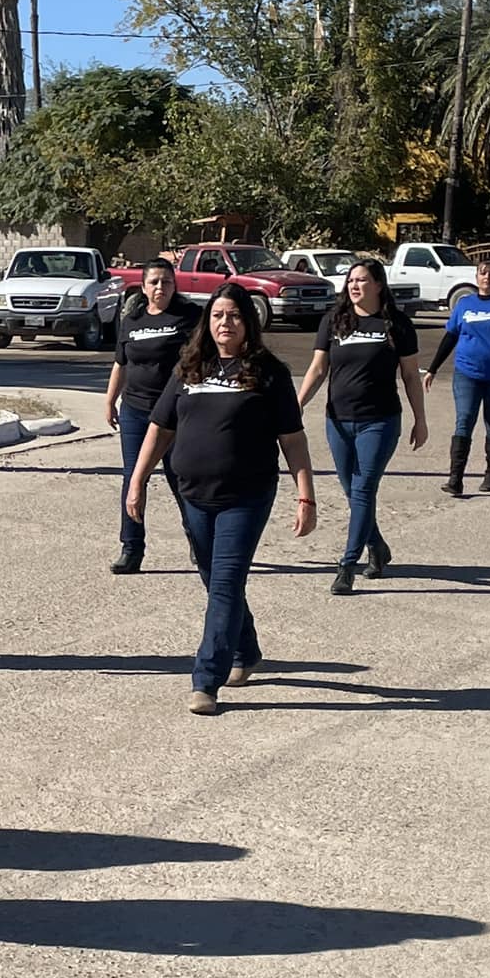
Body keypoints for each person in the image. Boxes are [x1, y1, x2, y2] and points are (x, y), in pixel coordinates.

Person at [127, 282, 318, 717]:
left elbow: (293, 439)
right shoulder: (190, 367)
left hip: (246, 496)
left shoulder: (269, 371)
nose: (224, 323)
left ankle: (205, 679)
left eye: (233, 315)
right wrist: (137, 480)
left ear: (248, 322)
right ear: (207, 322)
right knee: (216, 582)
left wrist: (305, 495)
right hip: (193, 494)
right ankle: (246, 651)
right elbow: (160, 429)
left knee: (226, 582)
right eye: (217, 315)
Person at [295, 258, 428, 596]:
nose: (354, 286)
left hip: (380, 421)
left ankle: (347, 565)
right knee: (351, 491)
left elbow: (411, 376)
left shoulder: (396, 324)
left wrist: (420, 419)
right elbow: (317, 370)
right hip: (338, 421)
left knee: (364, 489)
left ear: (379, 285)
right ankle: (378, 547)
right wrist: (294, 408)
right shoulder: (334, 321)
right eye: (351, 280)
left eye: (362, 280)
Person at [104, 258, 196, 574]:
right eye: (154, 282)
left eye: (166, 281)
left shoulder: (189, 318)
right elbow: (121, 363)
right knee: (134, 478)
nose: (160, 287)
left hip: (174, 413)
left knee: (181, 478)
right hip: (135, 412)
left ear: (175, 285)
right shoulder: (132, 320)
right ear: (143, 287)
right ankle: (132, 548)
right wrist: (110, 400)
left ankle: (198, 540)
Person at [424, 260, 490, 497]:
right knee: (464, 420)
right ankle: (455, 479)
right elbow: (450, 336)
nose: (487, 277)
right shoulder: (465, 304)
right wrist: (432, 368)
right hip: (467, 372)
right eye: (483, 273)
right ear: (476, 277)